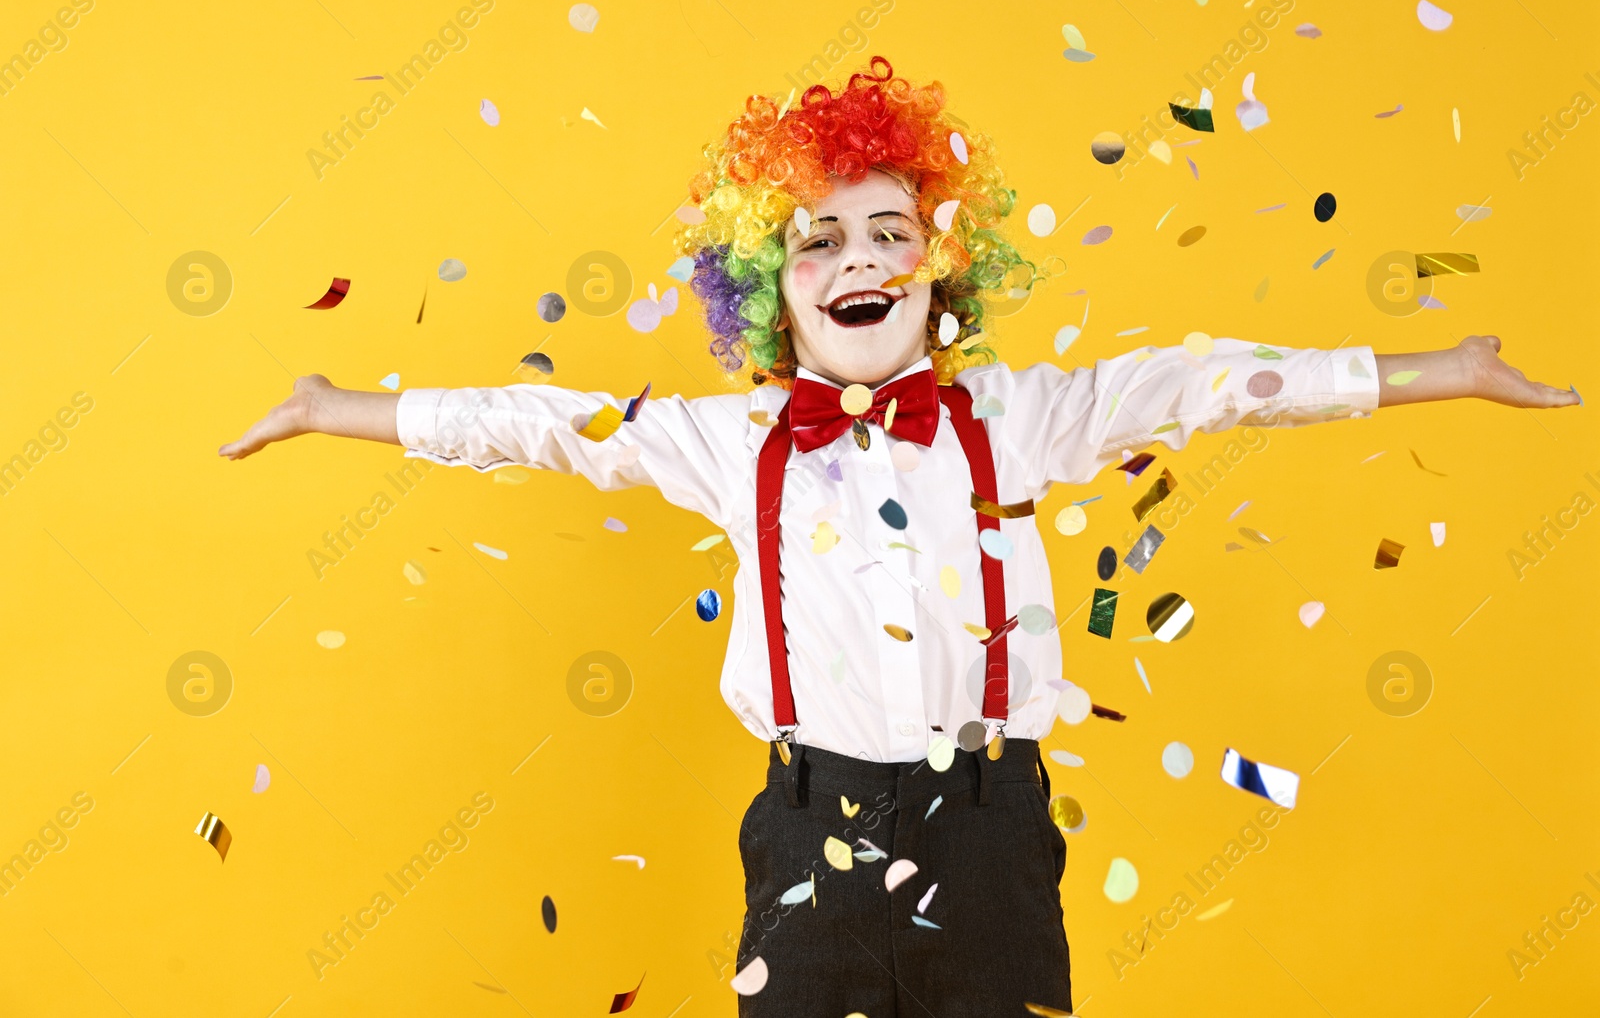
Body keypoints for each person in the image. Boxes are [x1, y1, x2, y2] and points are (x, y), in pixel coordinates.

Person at [219, 57, 1577, 1016]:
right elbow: (543, 423)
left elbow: (1204, 382)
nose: (860, 260)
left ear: (942, 267)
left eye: (890, 231)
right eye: (819, 243)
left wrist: (1432, 369)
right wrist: (344, 406)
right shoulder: (730, 444)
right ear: (769, 291)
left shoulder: (1022, 417)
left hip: (991, 822)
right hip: (808, 825)